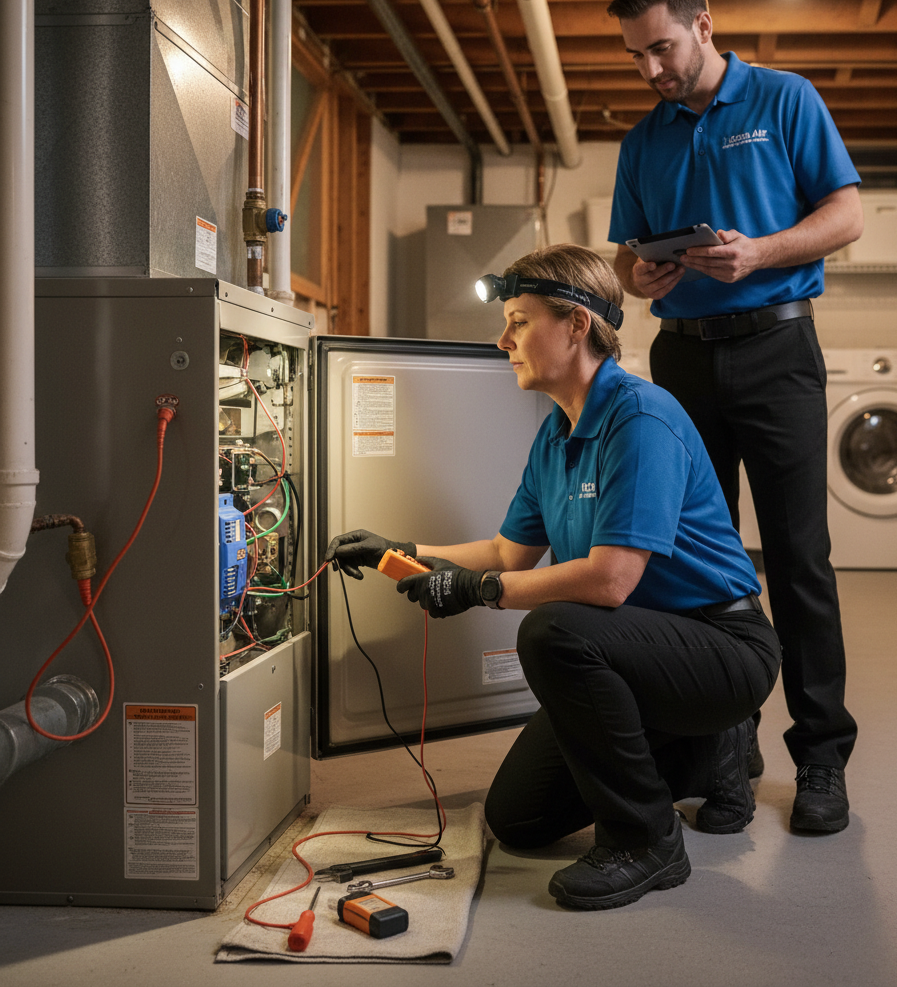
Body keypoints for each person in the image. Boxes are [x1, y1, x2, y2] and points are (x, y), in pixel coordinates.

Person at [323, 244, 781, 911]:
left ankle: (648, 840)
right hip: (646, 649)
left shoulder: (640, 419)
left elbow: (610, 582)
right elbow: (509, 556)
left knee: (556, 632)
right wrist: (404, 548)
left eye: (518, 320)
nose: (502, 338)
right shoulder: (557, 435)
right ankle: (707, 755)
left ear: (576, 325)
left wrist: (477, 594)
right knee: (519, 821)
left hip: (722, 648)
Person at [606, 0, 860, 833]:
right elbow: (622, 264)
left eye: (662, 49)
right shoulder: (643, 140)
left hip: (779, 348)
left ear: (704, 25)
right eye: (637, 55)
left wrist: (763, 253)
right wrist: (638, 274)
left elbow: (847, 215)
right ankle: (727, 748)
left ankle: (821, 757)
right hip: (681, 362)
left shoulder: (785, 100)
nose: (652, 70)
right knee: (697, 565)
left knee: (798, 559)